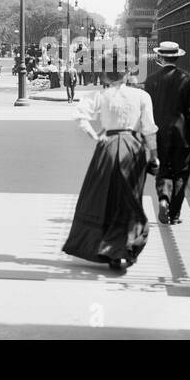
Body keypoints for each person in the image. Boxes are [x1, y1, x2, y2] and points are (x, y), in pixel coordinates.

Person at [62, 68, 159, 272]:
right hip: (132, 147)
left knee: (106, 196)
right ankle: (127, 245)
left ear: (106, 76)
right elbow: (149, 128)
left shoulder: (100, 95)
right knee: (130, 198)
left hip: (108, 146)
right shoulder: (142, 96)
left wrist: (95, 136)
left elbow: (80, 116)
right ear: (126, 75)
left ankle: (109, 248)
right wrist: (153, 155)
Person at [142, 39, 190, 225]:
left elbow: (147, 110)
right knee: (181, 173)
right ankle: (174, 214)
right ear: (177, 58)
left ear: (160, 57)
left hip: (159, 133)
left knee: (163, 170)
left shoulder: (151, 81)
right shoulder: (188, 81)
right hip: (181, 134)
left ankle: (163, 199)